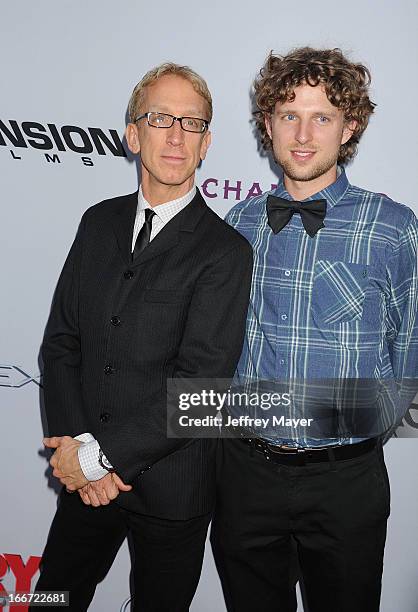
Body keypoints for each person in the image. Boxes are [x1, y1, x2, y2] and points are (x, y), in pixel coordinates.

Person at [33, 62, 253, 612]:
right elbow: (62, 342)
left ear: (206, 145)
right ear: (134, 134)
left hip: (171, 492)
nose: (176, 135)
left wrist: (100, 459)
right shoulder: (97, 223)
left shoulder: (225, 253)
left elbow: (200, 389)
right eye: (161, 118)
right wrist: (74, 447)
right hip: (86, 481)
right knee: (52, 601)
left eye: (193, 123)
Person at [211, 47, 418, 612]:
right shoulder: (238, 224)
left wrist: (362, 424)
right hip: (246, 476)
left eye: (322, 116)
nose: (303, 133)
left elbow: (409, 350)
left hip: (345, 483)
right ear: (268, 125)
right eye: (288, 114)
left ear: (349, 127)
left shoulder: (393, 228)